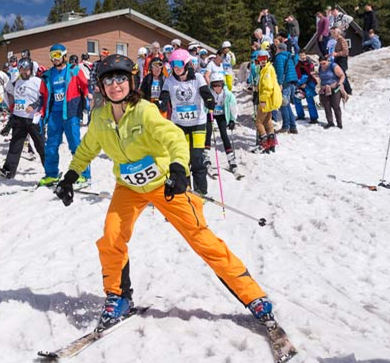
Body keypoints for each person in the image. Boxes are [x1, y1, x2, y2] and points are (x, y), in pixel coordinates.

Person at [53, 53, 281, 332]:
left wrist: (177, 169)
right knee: (112, 237)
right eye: (109, 80)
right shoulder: (100, 118)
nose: (115, 85)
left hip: (164, 184)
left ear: (131, 81)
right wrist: (70, 177)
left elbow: (173, 137)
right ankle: (118, 297)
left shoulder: (145, 110)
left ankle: (253, 296)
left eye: (121, 79)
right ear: (101, 86)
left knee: (201, 238)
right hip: (129, 187)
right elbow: (87, 149)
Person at [160, 49, 215, 195]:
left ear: (185, 64)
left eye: (178, 64)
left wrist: (209, 100)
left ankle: (201, 191)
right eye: (172, 64)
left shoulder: (197, 78)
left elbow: (205, 92)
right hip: (179, 126)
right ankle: (184, 190)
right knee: (182, 159)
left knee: (197, 158)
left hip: (197, 124)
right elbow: (164, 95)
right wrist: (162, 103)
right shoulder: (170, 80)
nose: (175, 67)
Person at [40, 43, 91, 187]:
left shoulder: (73, 70)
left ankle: (84, 175)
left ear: (64, 55)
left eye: (57, 55)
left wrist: (89, 94)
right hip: (55, 115)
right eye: (52, 56)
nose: (55, 58)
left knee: (75, 144)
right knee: (51, 145)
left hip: (71, 112)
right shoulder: (48, 75)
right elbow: (43, 94)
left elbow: (85, 85)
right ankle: (51, 174)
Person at [0, 57, 47, 180]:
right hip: (19, 118)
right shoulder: (16, 81)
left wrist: (34, 106)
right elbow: (8, 93)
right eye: (21, 69)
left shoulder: (37, 81)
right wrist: (11, 109)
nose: (24, 72)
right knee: (15, 145)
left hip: (33, 119)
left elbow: (44, 97)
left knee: (40, 145)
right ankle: (8, 170)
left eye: (26, 70)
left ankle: (50, 170)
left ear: (30, 70)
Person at [207, 72, 239, 172]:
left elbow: (233, 107)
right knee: (207, 133)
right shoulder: (208, 93)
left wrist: (232, 120)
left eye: (219, 85)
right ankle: (206, 156)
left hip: (222, 115)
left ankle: (231, 158)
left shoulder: (228, 94)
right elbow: (202, 105)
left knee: (224, 134)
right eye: (214, 85)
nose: (217, 87)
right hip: (210, 114)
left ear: (223, 84)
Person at [254, 49, 281, 153]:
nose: (263, 60)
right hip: (270, 99)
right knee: (268, 121)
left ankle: (264, 143)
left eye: (264, 58)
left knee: (259, 122)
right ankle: (271, 143)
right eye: (260, 58)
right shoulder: (266, 68)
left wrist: (263, 100)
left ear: (268, 58)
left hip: (267, 99)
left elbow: (268, 87)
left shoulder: (267, 70)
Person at [273, 43, 298, 134]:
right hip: (291, 81)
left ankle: (286, 126)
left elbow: (280, 71)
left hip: (285, 83)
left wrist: (279, 83)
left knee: (283, 104)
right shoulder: (289, 56)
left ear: (279, 49)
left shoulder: (279, 57)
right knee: (286, 105)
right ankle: (293, 126)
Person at [317, 57, 345, 129]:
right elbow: (320, 77)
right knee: (326, 105)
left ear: (327, 61)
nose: (323, 65)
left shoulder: (333, 66)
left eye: (324, 63)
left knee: (335, 105)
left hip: (334, 87)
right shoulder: (320, 68)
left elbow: (342, 75)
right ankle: (330, 122)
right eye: (321, 64)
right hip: (325, 88)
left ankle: (339, 123)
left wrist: (339, 83)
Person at [294, 51, 320, 124]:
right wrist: (298, 84)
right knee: (297, 99)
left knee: (310, 100)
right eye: (301, 55)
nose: (303, 57)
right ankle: (300, 115)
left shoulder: (310, 64)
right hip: (299, 84)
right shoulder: (297, 64)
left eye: (304, 55)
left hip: (308, 84)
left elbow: (311, 75)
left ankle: (314, 118)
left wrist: (305, 83)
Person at [330, 27, 353, 96]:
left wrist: (337, 54)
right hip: (336, 59)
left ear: (338, 33)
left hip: (342, 59)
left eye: (333, 32)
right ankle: (341, 90)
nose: (332, 34)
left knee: (342, 74)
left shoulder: (342, 40)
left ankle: (348, 90)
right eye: (331, 33)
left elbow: (345, 52)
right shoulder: (333, 40)